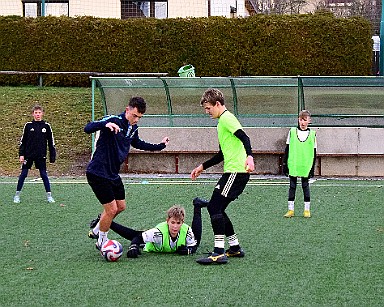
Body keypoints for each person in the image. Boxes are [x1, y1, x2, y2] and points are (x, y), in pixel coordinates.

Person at [85, 96, 169, 250]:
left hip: (112, 174)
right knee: (111, 209)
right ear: (127, 110)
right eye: (134, 115)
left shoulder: (133, 127)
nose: (136, 119)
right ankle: (101, 241)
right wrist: (105, 124)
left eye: (139, 117)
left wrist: (159, 146)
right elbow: (88, 128)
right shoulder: (114, 120)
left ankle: (97, 229)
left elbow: (137, 142)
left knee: (121, 206)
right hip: (98, 172)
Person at [190, 88, 254, 265]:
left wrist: (250, 156)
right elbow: (222, 154)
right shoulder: (221, 122)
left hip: (236, 172)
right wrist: (202, 167)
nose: (207, 111)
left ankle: (218, 252)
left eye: (208, 108)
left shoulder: (227, 119)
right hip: (234, 172)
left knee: (214, 207)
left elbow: (245, 137)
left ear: (218, 104)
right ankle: (234, 247)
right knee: (217, 208)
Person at [89, 200, 207, 257]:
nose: (175, 226)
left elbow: (194, 246)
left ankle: (197, 206)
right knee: (135, 235)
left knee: (197, 239)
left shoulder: (186, 230)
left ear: (182, 223)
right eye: (172, 222)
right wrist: (133, 247)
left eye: (178, 223)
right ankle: (105, 221)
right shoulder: (158, 232)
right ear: (167, 221)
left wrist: (189, 250)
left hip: (157, 239)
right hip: (152, 241)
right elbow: (137, 237)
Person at [13, 105, 56, 204]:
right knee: (23, 174)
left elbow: (51, 142)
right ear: (33, 114)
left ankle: (49, 196)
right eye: (36, 113)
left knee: (44, 175)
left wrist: (52, 155)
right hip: (28, 155)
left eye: (39, 112)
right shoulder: (28, 126)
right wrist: (21, 154)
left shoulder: (46, 126)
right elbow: (23, 141)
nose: (37, 114)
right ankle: (17, 195)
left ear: (42, 113)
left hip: (41, 155)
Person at [282, 110, 317, 218]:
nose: (302, 122)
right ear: (298, 119)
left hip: (305, 165)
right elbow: (287, 149)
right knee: (292, 186)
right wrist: (285, 164)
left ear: (309, 121)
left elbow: (314, 152)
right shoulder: (292, 132)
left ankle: (307, 210)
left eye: (305, 120)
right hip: (294, 163)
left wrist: (312, 168)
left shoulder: (312, 134)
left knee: (305, 186)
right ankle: (290, 210)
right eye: (301, 119)